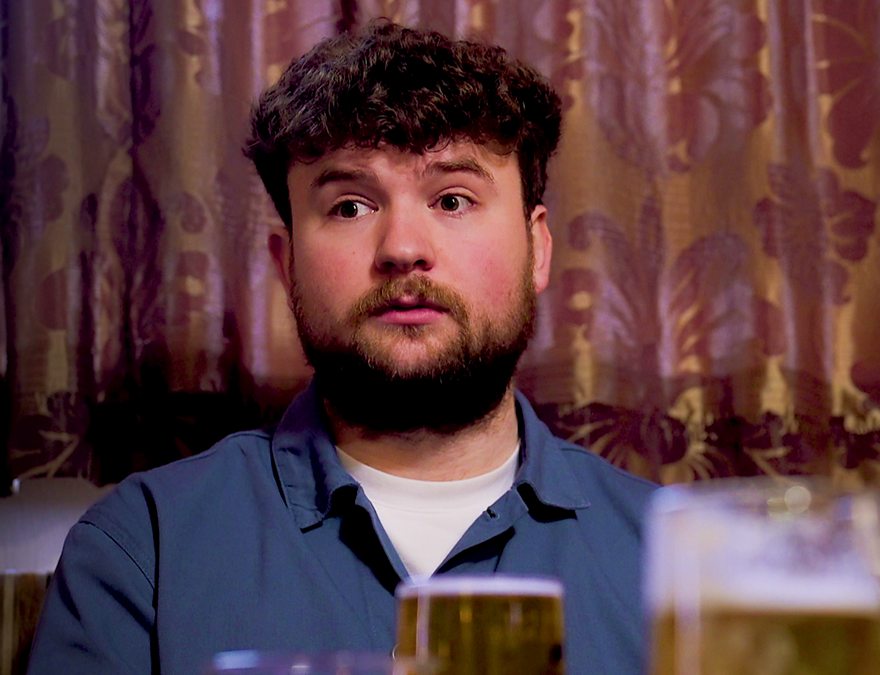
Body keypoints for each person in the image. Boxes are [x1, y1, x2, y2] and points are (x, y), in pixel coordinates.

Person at [28, 21, 656, 675]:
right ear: (286, 262)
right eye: (350, 207)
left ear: (538, 251)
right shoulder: (143, 551)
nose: (402, 248)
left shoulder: (670, 559)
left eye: (453, 199)